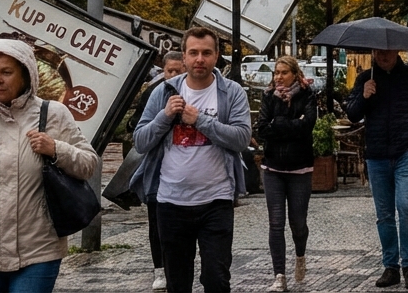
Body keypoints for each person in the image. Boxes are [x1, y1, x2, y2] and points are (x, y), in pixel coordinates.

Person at [0, 39, 99, 293]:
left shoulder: (54, 114)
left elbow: (88, 164)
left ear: (25, 75)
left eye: (6, 72)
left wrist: (56, 149)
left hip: (38, 248)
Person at [132, 27, 252, 293]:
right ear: (184, 57)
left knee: (216, 278)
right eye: (194, 53)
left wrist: (200, 120)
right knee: (177, 282)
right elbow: (140, 141)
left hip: (217, 200)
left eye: (206, 53)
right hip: (171, 201)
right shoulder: (162, 92)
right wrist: (164, 117)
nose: (200, 59)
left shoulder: (231, 92)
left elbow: (241, 138)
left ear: (217, 56)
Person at [347, 48, 408, 290]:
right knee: (384, 214)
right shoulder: (366, 77)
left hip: (405, 152)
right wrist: (363, 96)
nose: (382, 56)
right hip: (377, 155)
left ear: (397, 51)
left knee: (406, 207)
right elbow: (352, 114)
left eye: (387, 52)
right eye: (378, 52)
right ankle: (390, 266)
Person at [254, 57, 317, 292]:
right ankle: (279, 274)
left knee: (298, 223)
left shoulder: (307, 95)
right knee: (276, 223)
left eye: (283, 73)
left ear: (294, 74)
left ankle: (300, 255)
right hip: (273, 168)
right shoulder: (269, 96)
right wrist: (288, 122)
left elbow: (307, 126)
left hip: (300, 168)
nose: (278, 77)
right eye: (276, 73)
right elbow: (262, 129)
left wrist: (278, 125)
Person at [127, 51, 184, 292]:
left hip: (182, 170)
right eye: (169, 70)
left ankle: (176, 267)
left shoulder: (192, 92)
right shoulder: (155, 92)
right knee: (155, 221)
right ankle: (159, 268)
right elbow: (139, 128)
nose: (173, 75)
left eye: (178, 70)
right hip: (155, 166)